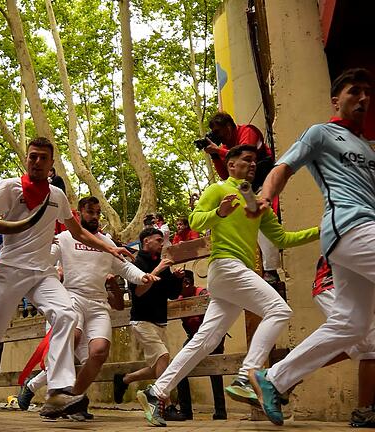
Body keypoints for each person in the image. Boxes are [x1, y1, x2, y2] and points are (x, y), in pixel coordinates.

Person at [0, 137, 132, 420]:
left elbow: (77, 232)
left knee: (66, 315)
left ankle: (58, 391)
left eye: (43, 158)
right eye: (32, 157)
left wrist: (109, 247)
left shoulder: (57, 196)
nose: (37, 162)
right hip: (11, 270)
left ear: (51, 164)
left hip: (43, 273)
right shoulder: (9, 187)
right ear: (26, 160)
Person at [136, 145, 319, 427]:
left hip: (233, 276)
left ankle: (156, 392)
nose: (252, 164)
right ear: (231, 165)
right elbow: (196, 220)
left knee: (205, 341)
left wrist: (322, 230)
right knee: (279, 310)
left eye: (255, 161)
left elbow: (283, 239)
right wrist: (218, 214)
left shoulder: (257, 204)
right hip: (225, 266)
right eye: (246, 160)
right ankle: (248, 375)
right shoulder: (218, 189)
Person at [249, 68, 375, 426]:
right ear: (336, 100)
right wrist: (265, 197)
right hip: (349, 227)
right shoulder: (321, 133)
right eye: (354, 92)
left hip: (360, 233)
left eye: (367, 92)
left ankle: (272, 378)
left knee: (351, 325)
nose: (363, 98)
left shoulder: (366, 148)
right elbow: (283, 167)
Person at [17, 196, 158, 420]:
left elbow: (125, 268)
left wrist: (144, 277)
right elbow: (45, 259)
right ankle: (54, 396)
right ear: (79, 214)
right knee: (70, 337)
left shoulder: (108, 242)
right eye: (90, 212)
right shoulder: (64, 238)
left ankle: (73, 399)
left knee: (99, 351)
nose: (94, 217)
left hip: (98, 303)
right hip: (70, 297)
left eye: (97, 213)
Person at [113, 227, 184, 422]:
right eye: (158, 240)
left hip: (160, 320)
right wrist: (158, 269)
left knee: (158, 367)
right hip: (142, 320)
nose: (162, 244)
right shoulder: (137, 263)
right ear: (146, 242)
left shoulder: (160, 262)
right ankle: (165, 404)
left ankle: (124, 380)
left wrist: (177, 279)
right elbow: (138, 292)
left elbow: (171, 293)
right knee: (163, 356)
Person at [203, 112, 280, 283]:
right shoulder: (224, 147)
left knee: (263, 223)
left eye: (219, 131)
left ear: (229, 127)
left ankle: (271, 269)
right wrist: (215, 155)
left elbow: (246, 154)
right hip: (246, 189)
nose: (218, 136)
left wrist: (219, 150)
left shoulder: (247, 130)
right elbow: (225, 175)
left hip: (264, 181)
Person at [311, 257, 375, 427]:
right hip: (334, 286)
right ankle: (278, 376)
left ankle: (284, 377)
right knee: (370, 346)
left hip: (348, 286)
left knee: (361, 347)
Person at [175, 270, 227, 421]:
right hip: (193, 337)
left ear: (186, 282)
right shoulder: (179, 299)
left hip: (212, 335)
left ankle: (220, 412)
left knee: (215, 370)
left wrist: (218, 340)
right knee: (179, 365)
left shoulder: (203, 294)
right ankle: (185, 410)